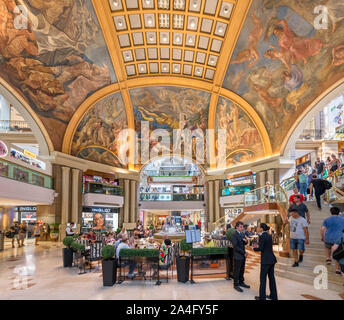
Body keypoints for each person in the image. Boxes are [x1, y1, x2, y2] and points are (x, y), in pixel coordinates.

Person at [251, 223, 278, 300]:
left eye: (258, 227)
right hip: (272, 259)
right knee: (272, 278)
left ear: (261, 229)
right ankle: (274, 296)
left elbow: (261, 248)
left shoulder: (262, 236)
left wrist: (253, 248)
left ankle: (262, 297)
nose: (257, 228)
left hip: (265, 260)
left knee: (263, 279)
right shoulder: (269, 235)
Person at [321, 207, 344, 273]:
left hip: (328, 238)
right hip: (339, 239)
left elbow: (322, 229)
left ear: (331, 212)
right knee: (338, 253)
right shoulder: (342, 219)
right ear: (338, 212)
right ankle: (338, 269)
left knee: (327, 247)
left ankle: (328, 258)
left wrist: (322, 237)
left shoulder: (327, 220)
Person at [231, 221, 250, 292]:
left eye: (242, 227)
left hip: (242, 255)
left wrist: (245, 241)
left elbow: (246, 242)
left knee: (242, 269)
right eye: (241, 227)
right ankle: (236, 284)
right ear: (237, 227)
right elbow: (235, 247)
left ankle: (241, 282)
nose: (242, 228)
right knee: (237, 270)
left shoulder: (242, 234)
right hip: (238, 255)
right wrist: (244, 252)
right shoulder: (234, 235)